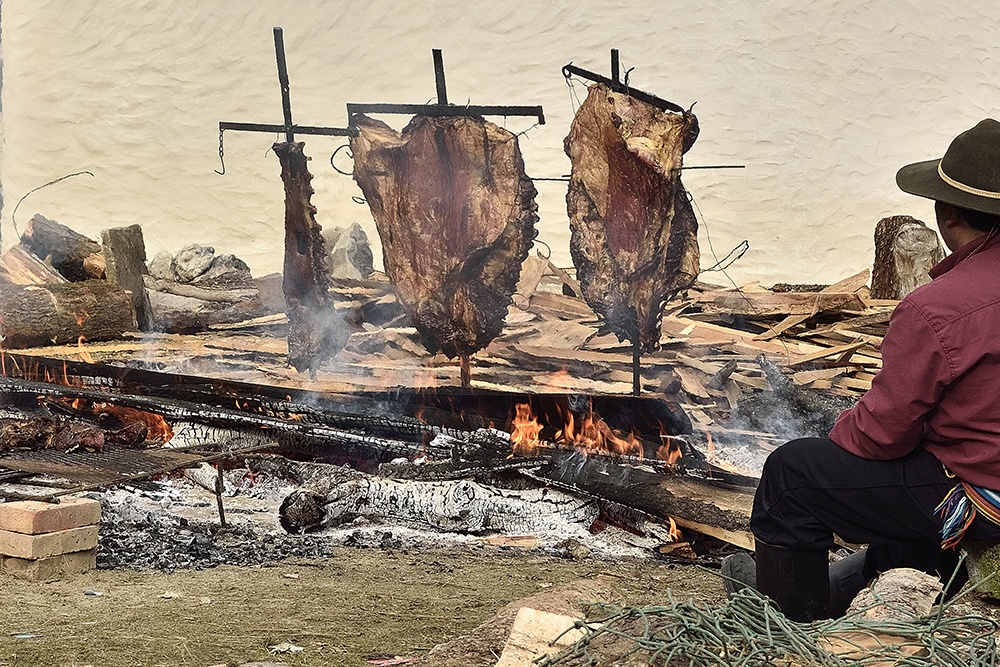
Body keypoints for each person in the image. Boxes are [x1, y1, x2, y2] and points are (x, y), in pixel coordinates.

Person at [725, 118, 1000, 622]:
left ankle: (789, 625)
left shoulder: (940, 307)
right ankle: (871, 588)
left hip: (987, 495)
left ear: (949, 211)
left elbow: (882, 436)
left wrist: (840, 429)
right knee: (910, 475)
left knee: (792, 475)